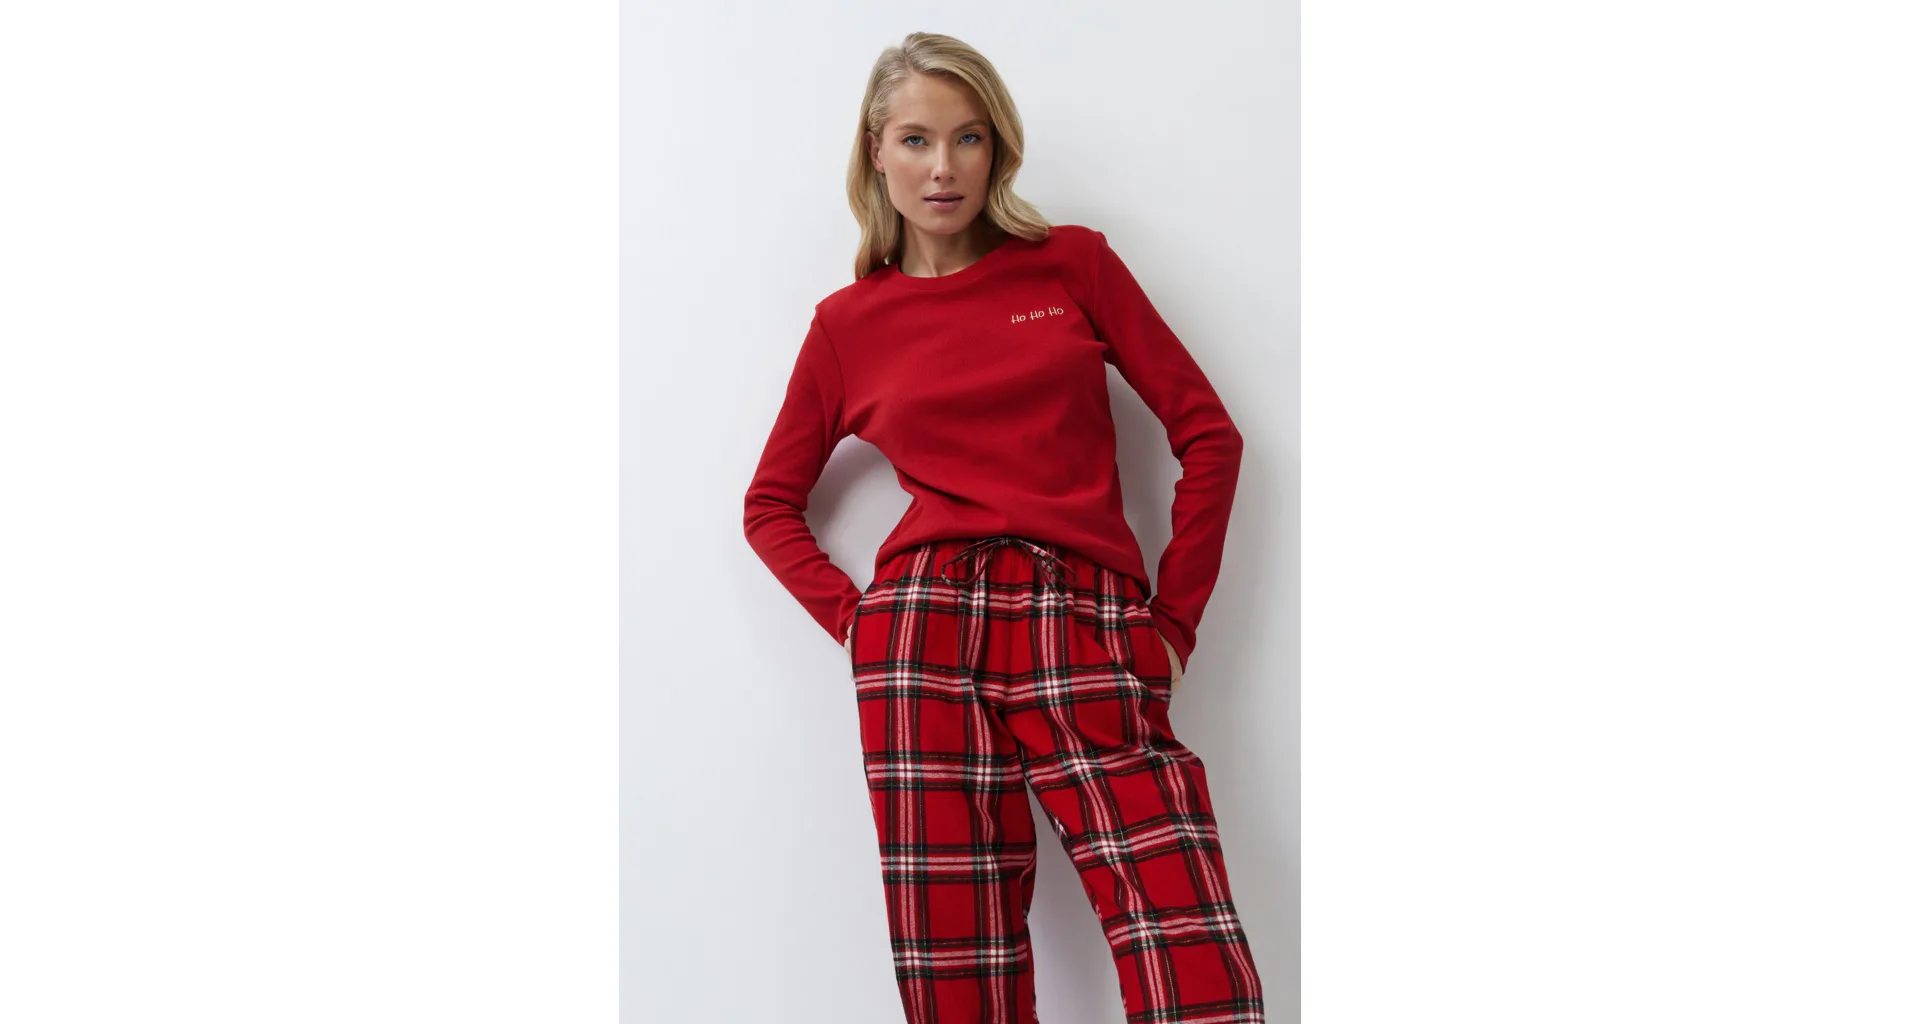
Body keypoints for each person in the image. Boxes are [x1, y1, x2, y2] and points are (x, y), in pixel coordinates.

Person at [742, 31, 1265, 1024]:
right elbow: (770, 503)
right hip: (923, 636)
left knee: (1184, 932)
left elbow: (1210, 437)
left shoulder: (1071, 265)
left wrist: (1174, 626)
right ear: (876, 153)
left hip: (1083, 615)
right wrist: (860, 626)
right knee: (957, 964)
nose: (943, 167)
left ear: (998, 149)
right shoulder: (848, 325)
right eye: (916, 139)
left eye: (968, 138)